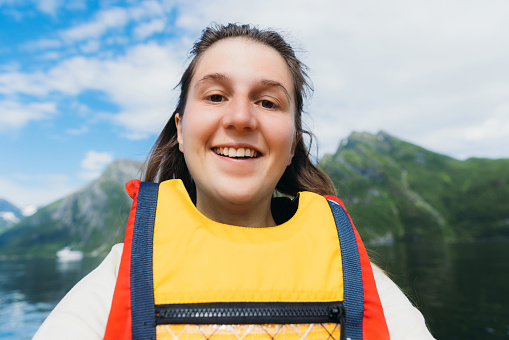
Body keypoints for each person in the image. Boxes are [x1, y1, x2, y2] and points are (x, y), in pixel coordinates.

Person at [34, 24, 434, 339]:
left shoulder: (361, 282)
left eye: (267, 102)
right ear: (181, 130)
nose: (240, 117)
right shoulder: (118, 278)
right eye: (215, 96)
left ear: (293, 143)